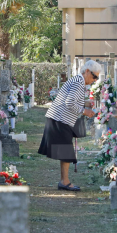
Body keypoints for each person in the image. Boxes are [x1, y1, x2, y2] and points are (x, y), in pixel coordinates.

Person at [38, 60, 101, 191]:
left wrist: (85, 103)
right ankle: (65, 181)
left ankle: (64, 181)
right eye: (94, 76)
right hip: (60, 118)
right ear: (87, 71)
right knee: (66, 150)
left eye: (97, 78)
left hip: (60, 118)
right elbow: (69, 103)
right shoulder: (79, 81)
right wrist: (85, 111)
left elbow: (72, 100)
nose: (95, 80)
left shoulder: (79, 80)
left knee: (65, 150)